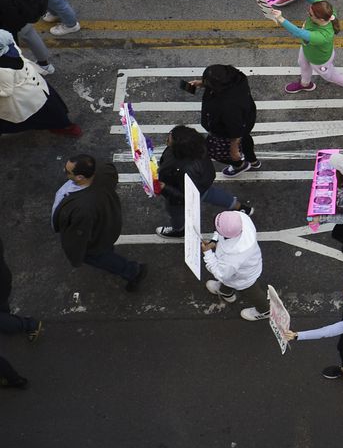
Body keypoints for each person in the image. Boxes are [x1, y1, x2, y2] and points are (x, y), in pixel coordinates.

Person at [51, 155, 146, 290]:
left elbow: (78, 237)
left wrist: (76, 255)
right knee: (106, 249)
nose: (64, 172)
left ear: (80, 178)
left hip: (95, 240)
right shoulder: (103, 172)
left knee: (100, 257)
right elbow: (110, 169)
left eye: (67, 172)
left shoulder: (82, 209)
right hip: (108, 223)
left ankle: (133, 271)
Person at [155, 125, 250, 238]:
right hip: (203, 183)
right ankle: (241, 207)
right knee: (213, 194)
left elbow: (184, 196)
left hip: (184, 191)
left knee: (175, 212)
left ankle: (178, 230)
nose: (167, 139)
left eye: (171, 138)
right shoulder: (198, 148)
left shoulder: (184, 167)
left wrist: (164, 187)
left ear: (180, 146)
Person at [0, 32, 81, 137]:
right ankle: (66, 127)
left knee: (14, 121)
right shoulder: (10, 47)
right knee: (53, 110)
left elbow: (6, 91)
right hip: (37, 88)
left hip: (23, 98)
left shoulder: (3, 70)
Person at [202, 211, 270, 322]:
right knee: (229, 281)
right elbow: (221, 231)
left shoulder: (234, 255)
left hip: (244, 277)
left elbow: (221, 273)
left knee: (252, 291)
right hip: (245, 267)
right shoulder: (241, 219)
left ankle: (265, 310)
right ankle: (226, 293)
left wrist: (207, 253)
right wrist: (214, 240)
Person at [193, 64, 260, 176]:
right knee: (245, 138)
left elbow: (235, 128)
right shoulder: (238, 79)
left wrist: (234, 148)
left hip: (226, 131)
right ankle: (252, 160)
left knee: (216, 152)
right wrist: (204, 83)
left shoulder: (228, 106)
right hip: (246, 120)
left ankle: (239, 165)